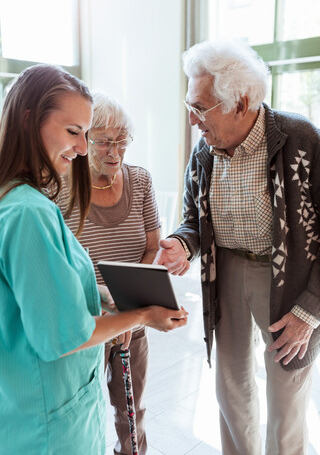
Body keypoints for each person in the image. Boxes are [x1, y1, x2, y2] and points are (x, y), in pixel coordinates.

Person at [0, 64, 188, 455]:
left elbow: (41, 293)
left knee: (129, 408)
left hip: (37, 405)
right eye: (75, 133)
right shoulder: (30, 212)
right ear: (28, 120)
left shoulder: (17, 199)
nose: (84, 149)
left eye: (87, 135)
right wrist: (141, 316)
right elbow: (64, 336)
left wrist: (105, 295)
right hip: (50, 425)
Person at [154, 39, 320, 455]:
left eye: (200, 107)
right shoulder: (205, 151)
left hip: (289, 276)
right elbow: (194, 219)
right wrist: (181, 243)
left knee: (286, 393)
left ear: (240, 102)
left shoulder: (300, 138)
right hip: (225, 268)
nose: (192, 119)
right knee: (230, 384)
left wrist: (311, 309)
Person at [57, 91, 160, 455]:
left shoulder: (142, 182)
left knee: (131, 410)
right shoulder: (62, 187)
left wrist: (129, 310)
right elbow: (59, 262)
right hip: (85, 320)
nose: (115, 152)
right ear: (84, 141)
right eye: (103, 142)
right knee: (80, 408)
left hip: (132, 315)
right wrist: (103, 306)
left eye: (122, 141)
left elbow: (152, 248)